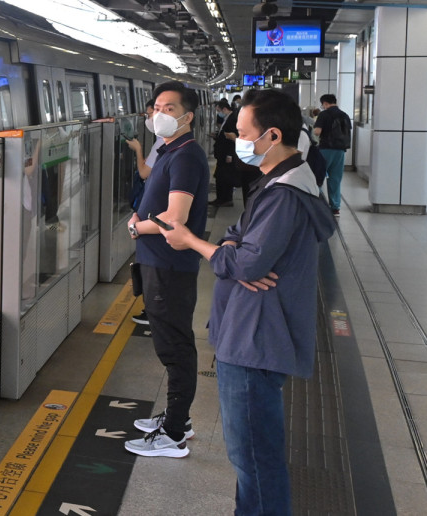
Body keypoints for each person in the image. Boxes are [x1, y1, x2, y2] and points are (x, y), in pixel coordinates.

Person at [159, 88, 336, 514]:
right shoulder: (279, 182)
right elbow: (237, 239)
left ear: (272, 136)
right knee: (253, 456)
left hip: (254, 337)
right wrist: (234, 253)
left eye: (242, 132)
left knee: (253, 457)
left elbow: (245, 263)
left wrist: (193, 243)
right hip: (255, 330)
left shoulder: (283, 194)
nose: (235, 139)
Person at [124, 81, 209, 458]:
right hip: (159, 261)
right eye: (156, 107)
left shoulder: (186, 155)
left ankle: (174, 433)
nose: (159, 114)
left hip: (169, 265)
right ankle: (180, 418)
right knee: (171, 342)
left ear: (187, 117)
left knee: (174, 347)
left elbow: (175, 219)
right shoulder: (172, 150)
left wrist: (134, 226)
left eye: (169, 108)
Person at [126, 100, 164, 327]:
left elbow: (143, 173)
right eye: (150, 114)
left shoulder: (160, 145)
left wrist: (138, 149)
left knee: (153, 263)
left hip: (154, 215)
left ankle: (153, 312)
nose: (150, 119)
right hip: (154, 214)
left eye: (153, 113)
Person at [313, 94, 352, 216]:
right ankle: (335, 207)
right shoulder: (344, 115)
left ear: (325, 103)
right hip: (340, 150)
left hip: (325, 149)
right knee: (335, 178)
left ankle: (318, 204)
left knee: (318, 176)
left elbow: (317, 131)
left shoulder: (324, 114)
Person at [210, 99, 239, 207]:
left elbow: (232, 140)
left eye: (219, 111)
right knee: (221, 177)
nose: (219, 113)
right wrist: (217, 136)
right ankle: (222, 198)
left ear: (225, 109)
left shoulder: (233, 119)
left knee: (224, 178)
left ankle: (224, 199)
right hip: (223, 154)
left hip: (227, 154)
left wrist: (230, 155)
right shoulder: (228, 118)